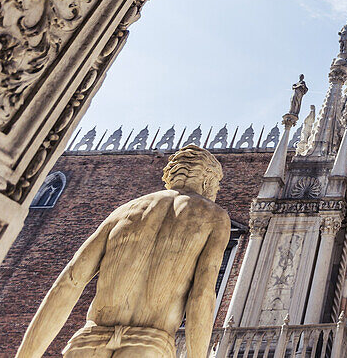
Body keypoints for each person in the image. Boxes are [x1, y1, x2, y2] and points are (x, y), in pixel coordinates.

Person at [16, 146, 230, 358]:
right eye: (217, 186)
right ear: (207, 179)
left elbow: (69, 282)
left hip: (89, 341)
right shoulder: (213, 217)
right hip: (148, 343)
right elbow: (201, 296)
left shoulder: (124, 211)